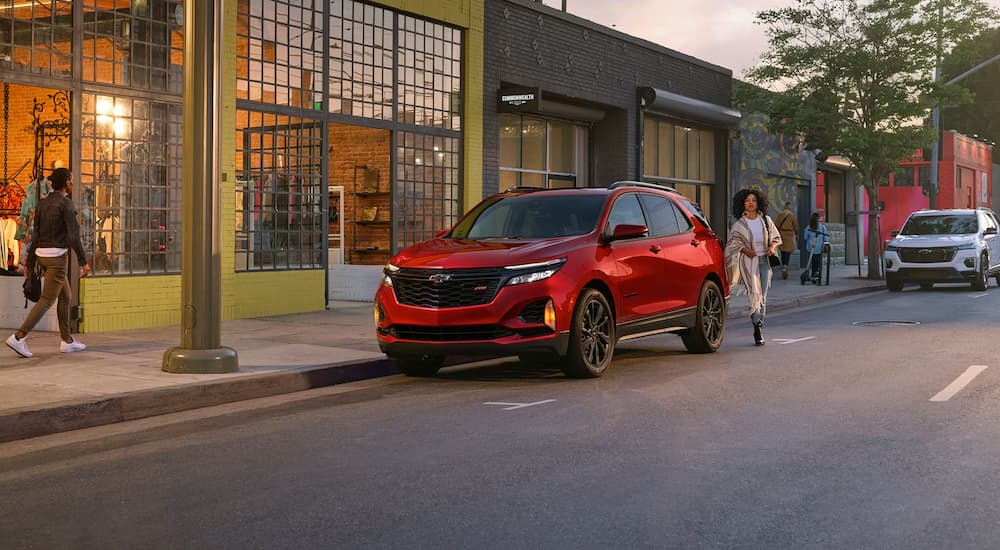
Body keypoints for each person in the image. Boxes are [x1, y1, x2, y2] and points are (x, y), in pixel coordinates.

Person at [6, 168, 91, 358]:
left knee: (66, 295)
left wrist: (29, 264)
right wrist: (84, 262)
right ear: (68, 182)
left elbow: (35, 235)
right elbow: (73, 236)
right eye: (72, 179)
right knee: (47, 300)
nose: (74, 182)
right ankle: (19, 337)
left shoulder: (42, 204)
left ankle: (67, 340)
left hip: (41, 256)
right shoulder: (66, 204)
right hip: (56, 258)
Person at [724, 188, 782, 346]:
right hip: (748, 263)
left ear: (759, 203)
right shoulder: (739, 224)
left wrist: (772, 248)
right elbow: (733, 244)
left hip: (764, 262)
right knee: (754, 293)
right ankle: (757, 328)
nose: (750, 203)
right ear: (742, 203)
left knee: (762, 296)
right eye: (747, 200)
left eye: (753, 200)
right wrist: (745, 250)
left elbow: (776, 238)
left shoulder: (766, 221)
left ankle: (759, 322)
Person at [774, 202, 799, 279]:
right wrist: (797, 234)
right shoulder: (792, 216)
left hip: (781, 234)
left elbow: (776, 225)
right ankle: (785, 267)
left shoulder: (780, 215)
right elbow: (796, 226)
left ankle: (783, 266)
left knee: (782, 252)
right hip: (789, 235)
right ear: (789, 208)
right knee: (787, 252)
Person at [803, 212, 830, 285]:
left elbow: (805, 237)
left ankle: (813, 274)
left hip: (810, 248)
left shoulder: (808, 227)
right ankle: (816, 273)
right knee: (817, 262)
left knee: (812, 262)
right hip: (819, 249)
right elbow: (826, 238)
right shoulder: (822, 227)